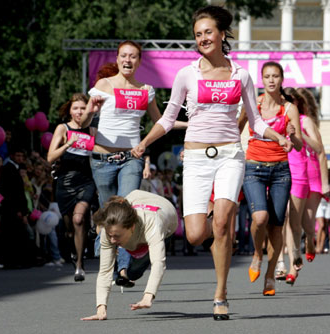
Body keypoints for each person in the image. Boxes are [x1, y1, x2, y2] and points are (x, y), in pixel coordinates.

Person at [131, 5, 292, 320]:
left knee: (221, 224)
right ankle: (214, 225)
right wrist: (146, 141)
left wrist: (276, 136)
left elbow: (256, 121)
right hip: (195, 158)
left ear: (221, 35)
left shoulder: (240, 74)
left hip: (230, 154)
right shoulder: (186, 74)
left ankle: (221, 294)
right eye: (197, 35)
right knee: (194, 234)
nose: (202, 38)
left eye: (208, 32)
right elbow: (167, 118)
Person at [82, 40, 186, 287]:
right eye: (123, 56)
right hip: (102, 159)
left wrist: (193, 123)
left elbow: (161, 122)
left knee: (126, 207)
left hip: (131, 158)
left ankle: (124, 270)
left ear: (139, 61)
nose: (127, 60)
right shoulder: (103, 85)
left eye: (133, 57)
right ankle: (108, 256)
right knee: (109, 212)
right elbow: (85, 121)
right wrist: (91, 110)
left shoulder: (146, 89)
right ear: (117, 59)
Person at [237, 63, 302, 295]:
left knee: (276, 224)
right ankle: (256, 254)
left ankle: (270, 275)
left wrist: (293, 135)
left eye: (275, 76)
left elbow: (298, 146)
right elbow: (236, 129)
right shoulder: (253, 104)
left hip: (280, 171)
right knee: (260, 217)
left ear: (282, 79)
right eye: (267, 76)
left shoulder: (289, 108)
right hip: (254, 166)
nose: (271, 80)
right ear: (262, 80)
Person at [81, 190, 177, 321]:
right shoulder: (110, 230)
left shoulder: (151, 222)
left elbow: (158, 263)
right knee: (110, 250)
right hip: (134, 201)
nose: (113, 240)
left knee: (134, 272)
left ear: (131, 227)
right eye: (111, 235)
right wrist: (101, 309)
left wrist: (148, 296)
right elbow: (104, 271)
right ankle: (99, 233)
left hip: (165, 219)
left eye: (117, 236)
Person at [48, 93, 97, 281]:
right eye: (75, 108)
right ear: (69, 110)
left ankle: (80, 265)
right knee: (69, 228)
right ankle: (75, 253)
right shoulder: (63, 128)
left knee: (79, 220)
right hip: (65, 182)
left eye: (83, 108)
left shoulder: (92, 130)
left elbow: (101, 154)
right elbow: (50, 157)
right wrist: (67, 144)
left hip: (86, 181)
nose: (79, 112)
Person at [281, 87, 327, 285]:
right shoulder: (279, 121)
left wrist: (299, 135)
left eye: (290, 100)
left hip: (312, 174)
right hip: (292, 174)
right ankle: (293, 267)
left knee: (307, 224)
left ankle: (310, 238)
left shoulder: (305, 121)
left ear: (297, 102)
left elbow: (319, 149)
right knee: (292, 221)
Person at [315, 167, 330, 254]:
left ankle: (322, 246)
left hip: (327, 204)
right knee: (321, 225)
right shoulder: (319, 180)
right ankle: (317, 246)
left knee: (326, 226)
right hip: (319, 203)